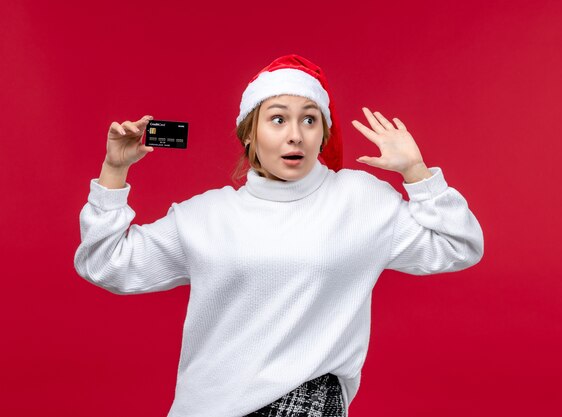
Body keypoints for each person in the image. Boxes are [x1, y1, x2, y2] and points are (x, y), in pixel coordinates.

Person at [74, 54, 484, 417]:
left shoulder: (360, 200)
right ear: (249, 133)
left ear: (322, 133)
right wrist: (114, 172)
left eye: (309, 119)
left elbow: (459, 246)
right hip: (207, 405)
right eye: (277, 118)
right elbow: (106, 263)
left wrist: (417, 173)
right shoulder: (205, 216)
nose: (295, 134)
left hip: (309, 399)